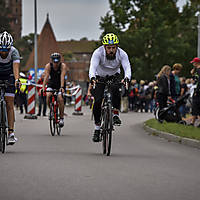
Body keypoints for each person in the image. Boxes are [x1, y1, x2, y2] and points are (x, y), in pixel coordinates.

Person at [89, 33, 131, 142]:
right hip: (100, 76)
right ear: (104, 47)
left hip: (114, 75)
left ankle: (115, 114)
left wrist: (127, 78)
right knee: (97, 101)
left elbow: (127, 67)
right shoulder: (98, 53)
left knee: (116, 89)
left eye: (113, 48)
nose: (111, 50)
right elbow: (92, 66)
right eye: (108, 48)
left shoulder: (122, 54)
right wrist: (92, 77)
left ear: (117, 47)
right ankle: (97, 128)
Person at [0, 31, 21, 145]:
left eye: (6, 50)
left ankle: (11, 133)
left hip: (10, 76)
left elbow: (16, 68)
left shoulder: (14, 52)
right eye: (1, 49)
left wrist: (17, 80)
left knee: (9, 103)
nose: (3, 52)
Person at [42, 53, 67, 127]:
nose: (56, 64)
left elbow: (62, 76)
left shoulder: (63, 66)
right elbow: (46, 76)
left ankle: (61, 118)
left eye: (57, 62)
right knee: (48, 95)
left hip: (60, 84)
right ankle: (51, 111)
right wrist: (43, 87)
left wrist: (62, 87)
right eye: (54, 62)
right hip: (51, 83)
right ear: (52, 61)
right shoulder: (48, 66)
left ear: (59, 61)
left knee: (60, 98)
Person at [189, 57, 200, 126]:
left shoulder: (199, 70)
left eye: (193, 62)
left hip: (198, 91)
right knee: (195, 106)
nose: (193, 64)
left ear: (197, 63)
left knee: (195, 106)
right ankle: (192, 122)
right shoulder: (197, 70)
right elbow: (195, 80)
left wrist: (197, 90)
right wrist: (192, 74)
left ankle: (193, 122)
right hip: (197, 90)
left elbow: (199, 82)